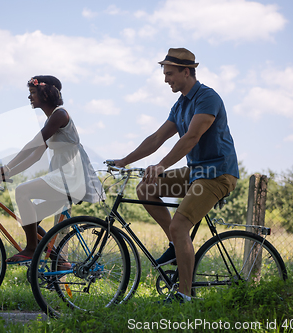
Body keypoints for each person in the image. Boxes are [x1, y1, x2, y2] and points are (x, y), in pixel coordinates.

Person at [113, 48, 239, 303]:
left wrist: (161, 165)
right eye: (165, 73)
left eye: (170, 73)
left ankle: (185, 295)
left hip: (217, 174)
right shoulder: (180, 104)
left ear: (186, 71)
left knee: (180, 224)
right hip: (195, 173)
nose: (166, 79)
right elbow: (158, 138)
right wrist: (124, 161)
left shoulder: (207, 98)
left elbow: (192, 137)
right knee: (146, 188)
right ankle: (174, 245)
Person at [0, 75, 103, 264]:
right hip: (64, 176)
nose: (29, 97)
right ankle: (59, 261)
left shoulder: (60, 115)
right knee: (28, 218)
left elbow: (33, 144)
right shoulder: (51, 119)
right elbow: (35, 156)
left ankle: (32, 249)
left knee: (21, 192)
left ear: (46, 93)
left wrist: (7, 167)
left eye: (33, 93)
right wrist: (8, 172)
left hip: (71, 177)